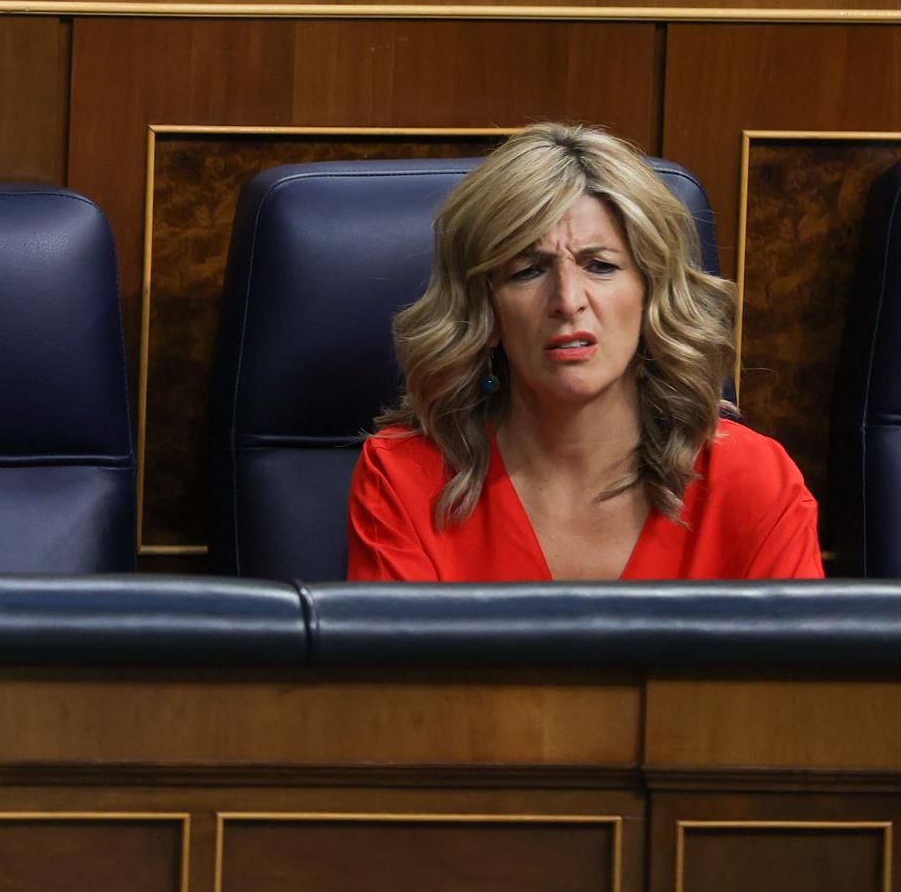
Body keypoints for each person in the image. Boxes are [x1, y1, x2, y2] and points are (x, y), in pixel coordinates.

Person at [347, 122, 822, 581]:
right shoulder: (408, 477)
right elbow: (397, 667)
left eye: (600, 265)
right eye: (528, 271)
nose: (568, 300)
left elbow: (799, 665)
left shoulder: (752, 481)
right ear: (485, 312)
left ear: (651, 295)